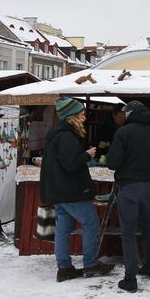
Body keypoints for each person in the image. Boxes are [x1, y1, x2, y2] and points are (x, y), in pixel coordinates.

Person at [40, 97, 115, 282]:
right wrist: (87, 155)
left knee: (63, 228)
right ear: (71, 116)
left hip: (59, 191)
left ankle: (64, 268)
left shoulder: (57, 134)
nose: (84, 115)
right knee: (90, 222)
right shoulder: (66, 136)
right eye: (81, 112)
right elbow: (71, 164)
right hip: (70, 190)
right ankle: (90, 264)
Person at [107, 100, 150, 293]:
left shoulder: (123, 133)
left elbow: (112, 163)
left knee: (128, 231)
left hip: (129, 187)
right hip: (149, 187)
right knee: (149, 228)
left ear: (130, 113)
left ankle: (130, 278)